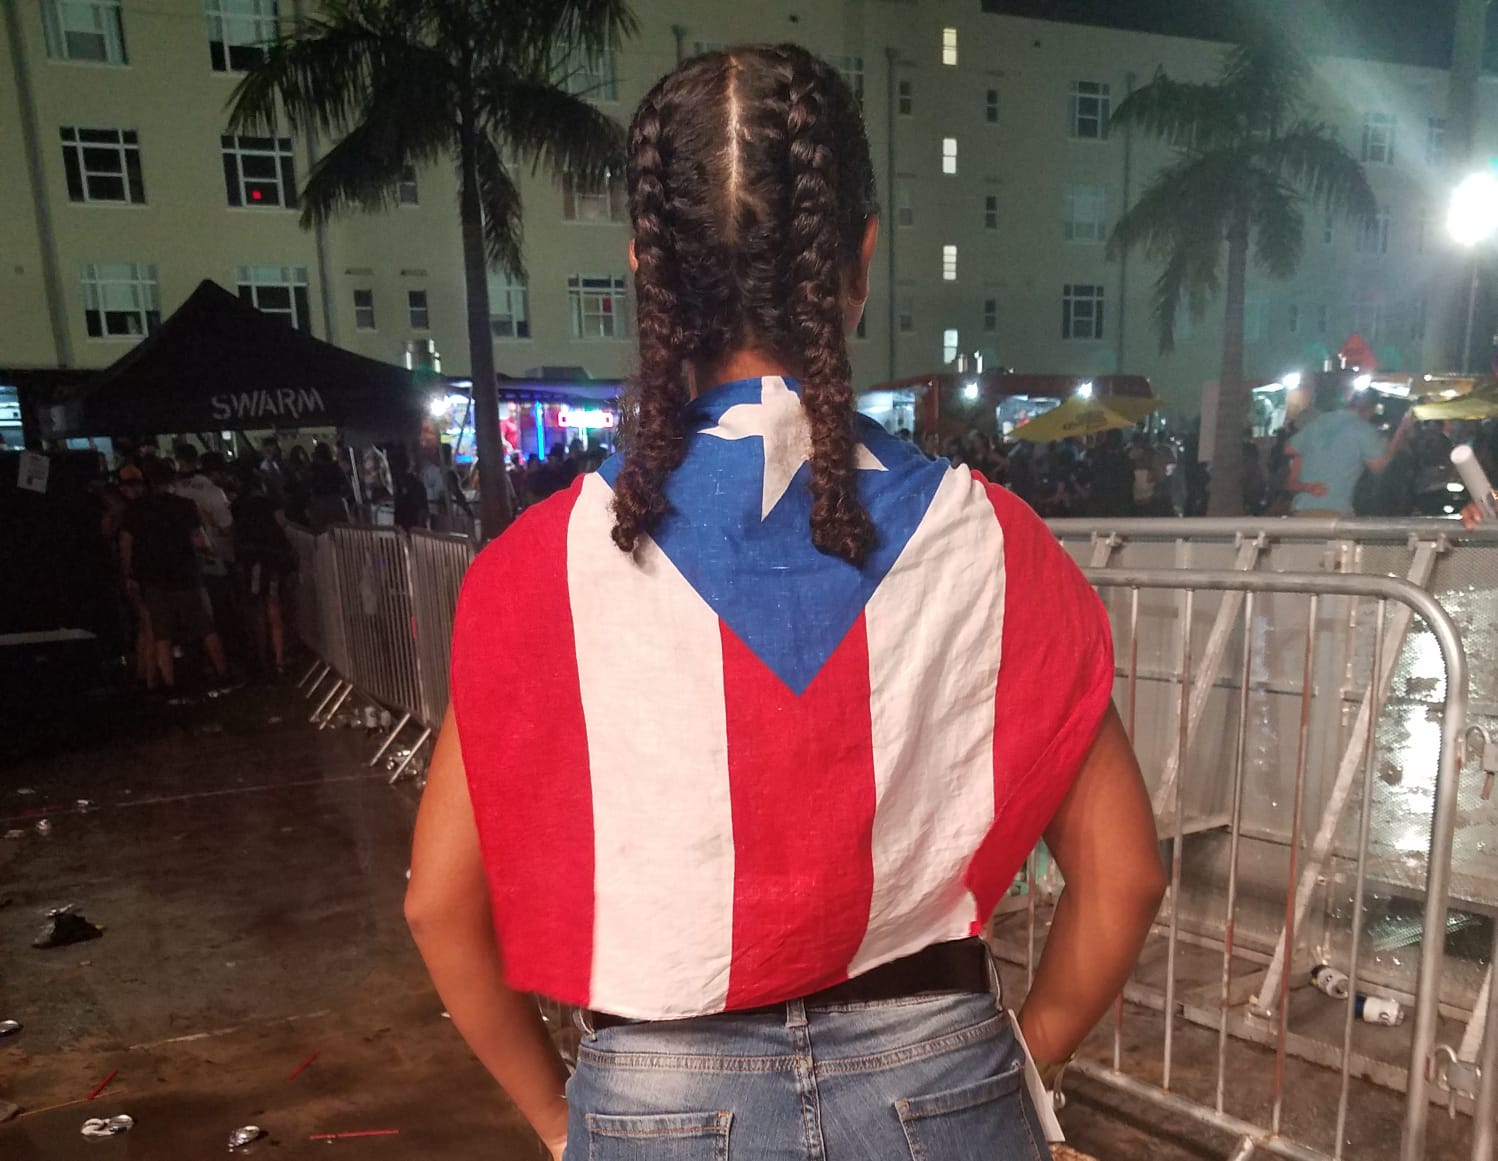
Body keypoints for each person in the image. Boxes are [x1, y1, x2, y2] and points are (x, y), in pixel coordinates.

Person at [404, 45, 1165, 1161]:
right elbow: (1126, 876)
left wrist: (563, 1124)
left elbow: (438, 907)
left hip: (657, 1099)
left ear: (645, 270)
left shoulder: (536, 569)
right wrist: (1017, 1065)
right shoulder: (991, 542)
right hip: (940, 1082)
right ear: (859, 258)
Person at [120, 456, 229, 692]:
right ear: (172, 480)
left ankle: (169, 683)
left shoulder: (136, 509)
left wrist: (128, 573)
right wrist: (209, 550)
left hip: (153, 578)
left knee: (162, 634)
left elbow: (126, 543)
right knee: (206, 627)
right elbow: (198, 539)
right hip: (187, 574)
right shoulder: (184, 505)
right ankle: (222, 672)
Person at [1286, 391, 1414, 517]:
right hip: (1334, 511)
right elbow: (1379, 466)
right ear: (1371, 409)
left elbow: (1289, 448)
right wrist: (1400, 432)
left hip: (1302, 510)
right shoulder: (1363, 430)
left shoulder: (1320, 421)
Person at [233, 471, 295, 675]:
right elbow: (283, 525)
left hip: (250, 562)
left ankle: (262, 656)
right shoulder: (271, 503)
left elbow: (234, 534)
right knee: (274, 608)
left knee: (257, 610)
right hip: (271, 561)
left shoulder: (238, 505)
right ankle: (279, 659)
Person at [306, 441, 352, 530]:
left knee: (321, 531)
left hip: (318, 502)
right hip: (335, 501)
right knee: (340, 530)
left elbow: (307, 486)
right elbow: (347, 487)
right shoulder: (335, 467)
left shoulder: (312, 468)